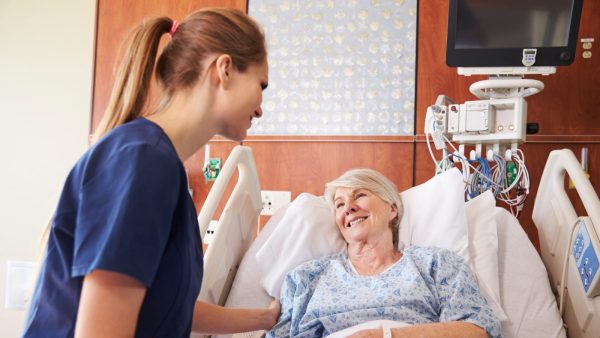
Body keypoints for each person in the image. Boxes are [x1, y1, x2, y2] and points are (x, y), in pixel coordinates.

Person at [22, 8, 279, 338]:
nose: (260, 107)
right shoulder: (143, 162)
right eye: (262, 85)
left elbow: (164, 305)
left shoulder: (158, 164)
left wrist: (264, 319)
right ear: (225, 69)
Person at [267, 169, 501, 338]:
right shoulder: (306, 278)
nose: (348, 207)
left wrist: (385, 335)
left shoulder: (436, 264)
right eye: (339, 204)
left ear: (391, 209)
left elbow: (478, 329)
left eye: (359, 195)